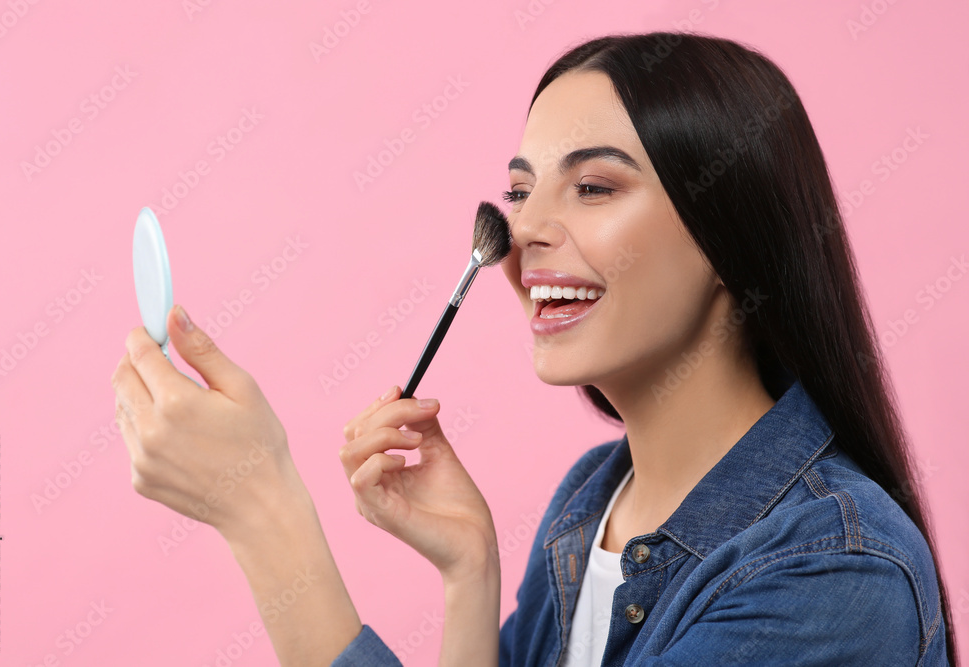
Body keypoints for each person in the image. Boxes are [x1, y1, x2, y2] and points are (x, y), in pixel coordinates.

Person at [111, 32, 956, 666]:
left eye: (592, 187)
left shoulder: (833, 577)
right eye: (520, 191)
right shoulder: (591, 504)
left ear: (728, 236)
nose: (525, 233)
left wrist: (264, 515)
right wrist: (469, 572)